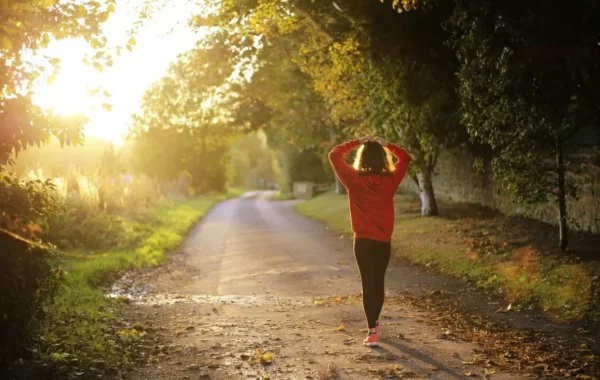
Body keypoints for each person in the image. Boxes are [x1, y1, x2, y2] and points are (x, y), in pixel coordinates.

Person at [328, 135, 412, 347]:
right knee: (378, 282)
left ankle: (372, 330)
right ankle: (375, 323)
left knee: (368, 283)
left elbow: (334, 154)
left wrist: (357, 141)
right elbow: (405, 158)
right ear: (383, 159)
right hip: (383, 241)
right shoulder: (390, 181)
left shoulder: (353, 179)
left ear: (362, 158)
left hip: (363, 242)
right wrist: (388, 144)